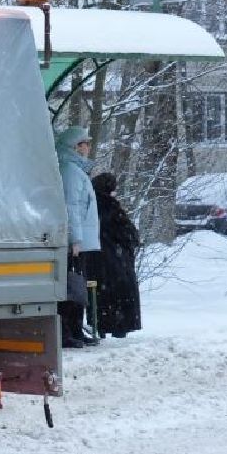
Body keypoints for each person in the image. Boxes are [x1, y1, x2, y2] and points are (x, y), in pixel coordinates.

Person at [55, 125, 100, 348]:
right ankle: (67, 332)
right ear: (74, 146)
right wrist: (75, 239)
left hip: (80, 240)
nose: (88, 147)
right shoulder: (70, 171)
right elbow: (71, 207)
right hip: (75, 242)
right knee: (71, 287)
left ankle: (75, 330)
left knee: (77, 287)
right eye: (84, 143)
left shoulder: (74, 170)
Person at [88, 172, 142, 338]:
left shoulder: (90, 206)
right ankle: (119, 326)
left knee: (99, 295)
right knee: (120, 293)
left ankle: (100, 325)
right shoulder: (111, 207)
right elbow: (128, 233)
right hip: (115, 260)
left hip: (96, 258)